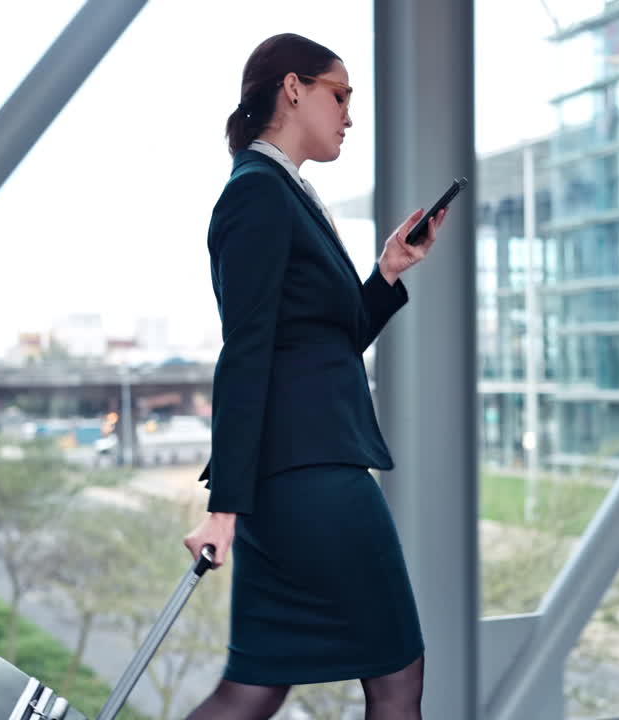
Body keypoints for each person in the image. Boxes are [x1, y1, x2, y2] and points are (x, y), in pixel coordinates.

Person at [181, 33, 447, 720]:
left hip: (293, 477)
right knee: (397, 675)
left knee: (256, 685)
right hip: (311, 478)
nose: (350, 115)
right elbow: (246, 351)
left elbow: (326, 341)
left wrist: (386, 272)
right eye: (340, 94)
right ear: (293, 89)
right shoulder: (258, 196)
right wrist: (224, 506)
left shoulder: (283, 193)